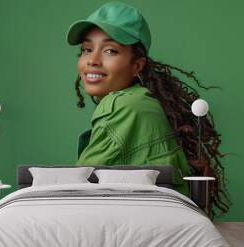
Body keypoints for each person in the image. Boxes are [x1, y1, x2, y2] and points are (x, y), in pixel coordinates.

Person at [66, 1, 230, 218]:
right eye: (87, 49)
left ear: (137, 66)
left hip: (152, 226)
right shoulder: (142, 100)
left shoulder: (125, 106)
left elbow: (77, 184)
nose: (92, 60)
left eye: (110, 50)